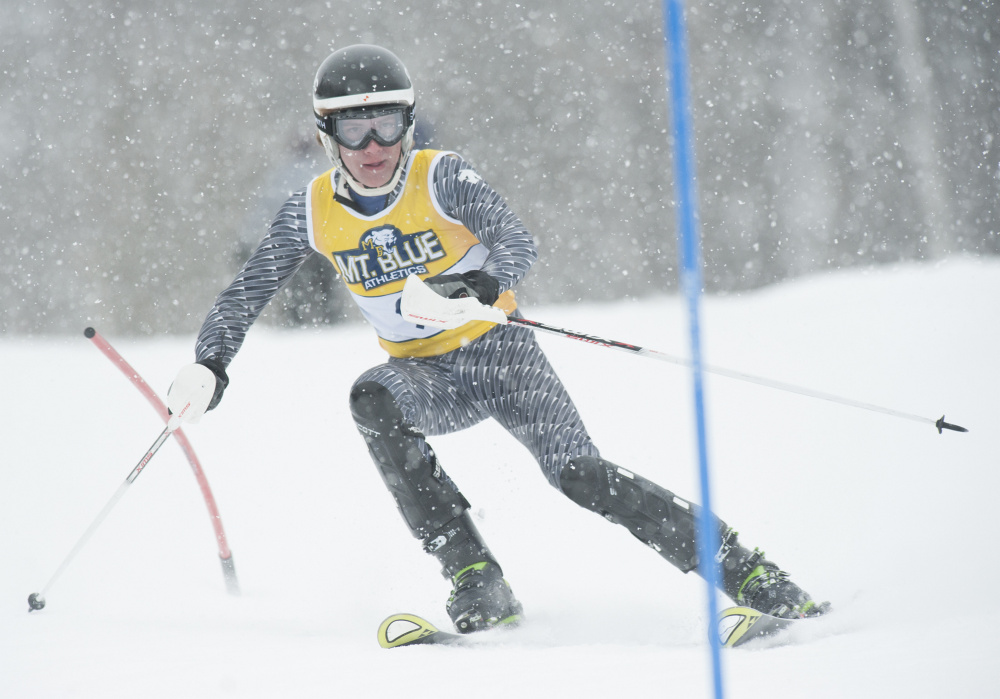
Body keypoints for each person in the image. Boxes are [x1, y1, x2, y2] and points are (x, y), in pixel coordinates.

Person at [167, 44, 828, 634]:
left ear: (408, 123)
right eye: (353, 128)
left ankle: (748, 571)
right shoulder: (308, 211)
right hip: (424, 376)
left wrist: (477, 288)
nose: (373, 146)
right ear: (326, 135)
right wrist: (209, 363)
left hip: (501, 357)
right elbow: (246, 292)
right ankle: (474, 575)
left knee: (579, 475)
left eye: (388, 125)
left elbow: (517, 240)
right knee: (372, 396)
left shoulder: (442, 175)